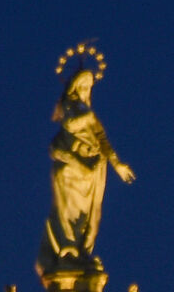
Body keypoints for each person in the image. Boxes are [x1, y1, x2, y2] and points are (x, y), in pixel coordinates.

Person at [45, 68, 134, 267]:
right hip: (72, 170)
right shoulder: (70, 107)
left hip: (94, 169)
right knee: (69, 209)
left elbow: (102, 138)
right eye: (83, 86)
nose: (86, 90)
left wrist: (117, 163)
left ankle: (83, 250)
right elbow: (69, 125)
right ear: (74, 88)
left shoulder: (88, 112)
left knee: (90, 214)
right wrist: (90, 118)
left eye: (89, 86)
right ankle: (68, 247)